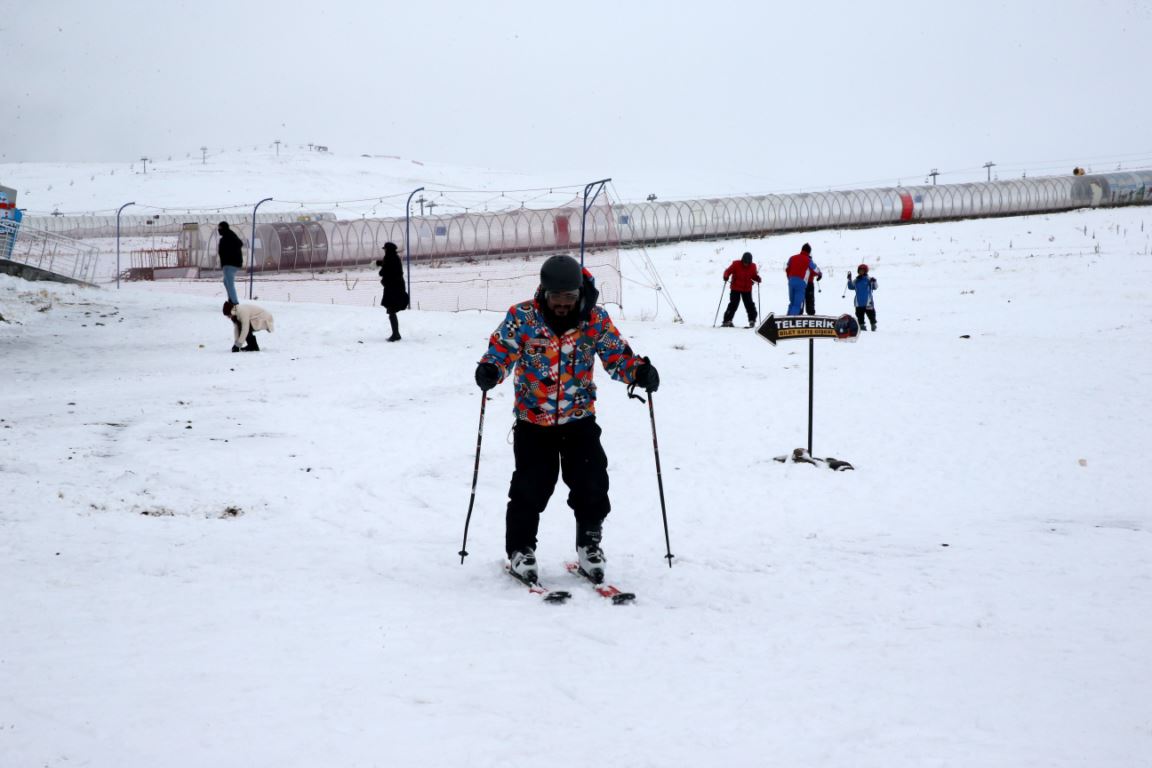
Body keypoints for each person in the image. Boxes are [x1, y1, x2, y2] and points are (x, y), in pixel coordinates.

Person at [474, 254, 660, 585]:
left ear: (579, 293)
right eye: (556, 297)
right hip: (534, 422)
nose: (563, 304)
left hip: (579, 420)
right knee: (530, 487)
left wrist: (639, 372)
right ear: (543, 292)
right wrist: (490, 369)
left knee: (592, 484)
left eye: (570, 297)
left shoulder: (594, 320)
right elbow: (501, 351)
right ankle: (521, 550)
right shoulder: (523, 317)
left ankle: (589, 545)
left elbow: (617, 355)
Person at [376, 241, 408, 342]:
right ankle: (395, 333)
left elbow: (384, 271)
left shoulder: (389, 258)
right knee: (391, 310)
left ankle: (396, 334)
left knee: (391, 310)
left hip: (393, 288)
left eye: (385, 249)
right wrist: (378, 263)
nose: (384, 250)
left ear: (387, 250)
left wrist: (381, 270)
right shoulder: (393, 257)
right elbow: (387, 265)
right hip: (396, 287)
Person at [720, 251, 762, 327]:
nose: (746, 264)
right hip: (735, 288)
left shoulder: (753, 266)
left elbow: (753, 276)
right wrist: (726, 276)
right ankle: (727, 321)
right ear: (742, 260)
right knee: (733, 304)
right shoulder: (736, 264)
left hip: (747, 289)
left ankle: (752, 320)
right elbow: (727, 271)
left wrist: (757, 278)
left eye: (748, 263)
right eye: (745, 262)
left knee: (749, 305)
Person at [784, 243, 821, 315]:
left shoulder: (792, 258)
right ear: (809, 252)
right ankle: (792, 321)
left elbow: (787, 269)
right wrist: (820, 274)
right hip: (801, 283)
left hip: (791, 282)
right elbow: (815, 270)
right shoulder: (808, 260)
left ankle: (787, 319)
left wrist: (790, 278)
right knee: (797, 304)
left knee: (792, 303)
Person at [217, 221, 243, 305]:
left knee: (230, 284)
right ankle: (231, 299)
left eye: (220, 228)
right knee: (226, 281)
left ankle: (235, 303)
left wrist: (226, 259)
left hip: (229, 264)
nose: (219, 230)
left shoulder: (227, 238)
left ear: (224, 228)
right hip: (233, 263)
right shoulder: (231, 235)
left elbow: (225, 251)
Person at [847, 264, 877, 331]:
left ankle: (873, 325)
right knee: (859, 315)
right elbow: (851, 287)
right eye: (860, 270)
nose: (861, 272)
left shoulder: (869, 279)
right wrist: (849, 280)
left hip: (868, 302)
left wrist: (874, 281)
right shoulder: (856, 280)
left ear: (866, 271)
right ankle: (862, 326)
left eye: (862, 271)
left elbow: (875, 287)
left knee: (871, 315)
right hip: (859, 302)